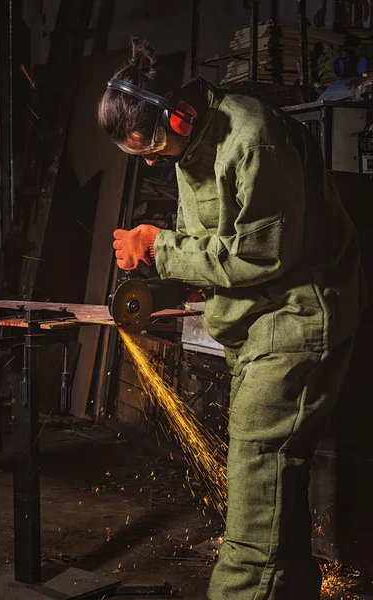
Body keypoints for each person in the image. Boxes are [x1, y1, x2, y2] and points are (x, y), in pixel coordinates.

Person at [98, 37, 364, 600]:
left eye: (152, 148)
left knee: (255, 477)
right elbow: (207, 240)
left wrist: (159, 247)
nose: (151, 161)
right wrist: (160, 255)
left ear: (180, 112)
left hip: (297, 318)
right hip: (253, 322)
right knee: (275, 492)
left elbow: (261, 254)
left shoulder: (252, 137)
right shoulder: (184, 148)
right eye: (139, 156)